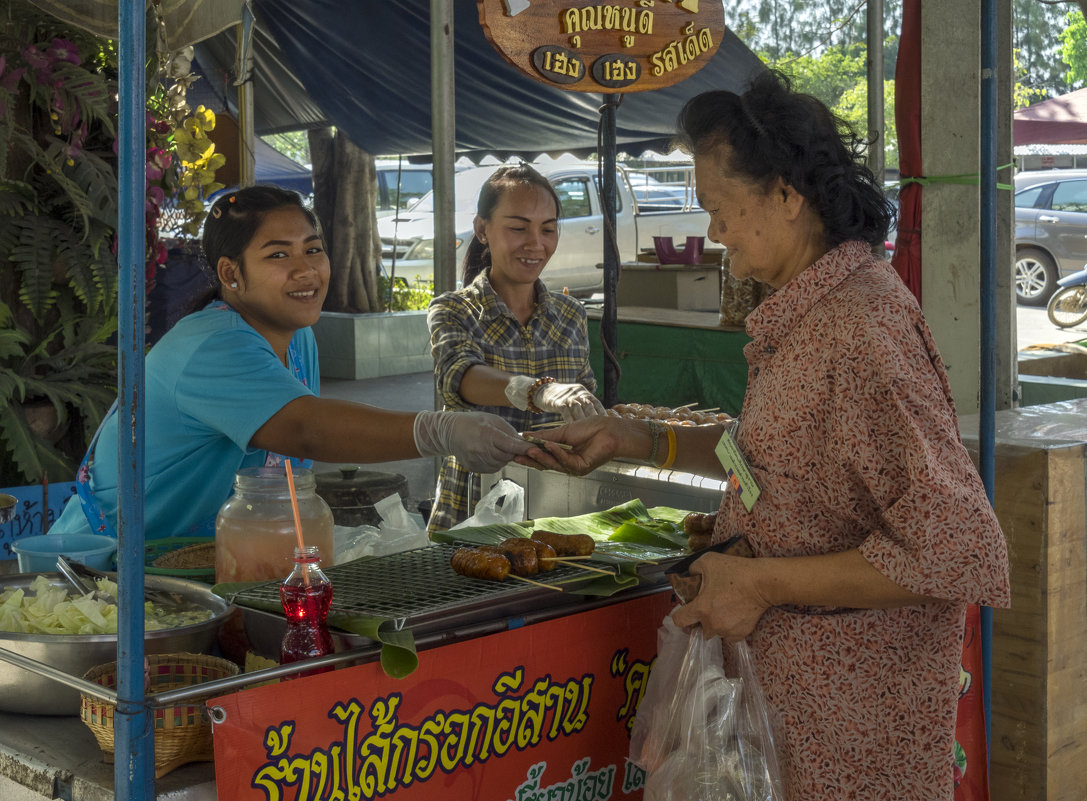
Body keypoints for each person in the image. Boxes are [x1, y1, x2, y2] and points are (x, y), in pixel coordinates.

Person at [522, 71, 1010, 800]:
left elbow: (957, 548)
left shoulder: (858, 329)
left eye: (719, 208)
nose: (712, 231)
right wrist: (636, 438)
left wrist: (759, 580)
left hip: (848, 738)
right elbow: (769, 456)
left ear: (786, 194)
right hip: (788, 718)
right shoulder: (808, 314)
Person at [51, 185, 534, 541]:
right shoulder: (211, 345)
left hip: (201, 558)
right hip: (106, 571)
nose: (305, 270)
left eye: (313, 250)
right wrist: (442, 431)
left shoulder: (297, 336)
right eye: (278, 254)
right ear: (230, 273)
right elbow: (307, 428)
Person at [426, 164, 605, 531]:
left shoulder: (570, 316)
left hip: (557, 509)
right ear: (482, 230)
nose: (535, 243)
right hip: (473, 510)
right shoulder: (453, 309)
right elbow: (460, 376)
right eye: (518, 227)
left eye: (548, 229)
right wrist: (540, 391)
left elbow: (585, 401)